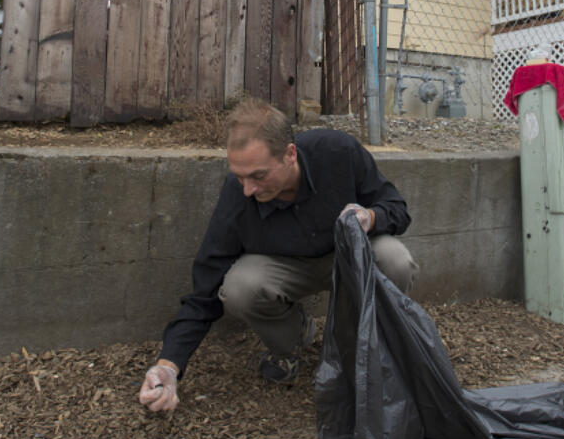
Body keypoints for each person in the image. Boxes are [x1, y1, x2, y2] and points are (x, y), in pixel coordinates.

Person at [137, 98, 418, 413]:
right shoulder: (238, 195)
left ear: (289, 154)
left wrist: (371, 217)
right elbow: (205, 287)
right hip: (284, 269)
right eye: (240, 176)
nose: (247, 189)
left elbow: (397, 208)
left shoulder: (337, 152)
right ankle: (291, 342)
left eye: (257, 176)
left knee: (394, 258)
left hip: (345, 257)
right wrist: (169, 366)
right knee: (239, 286)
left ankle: (364, 348)